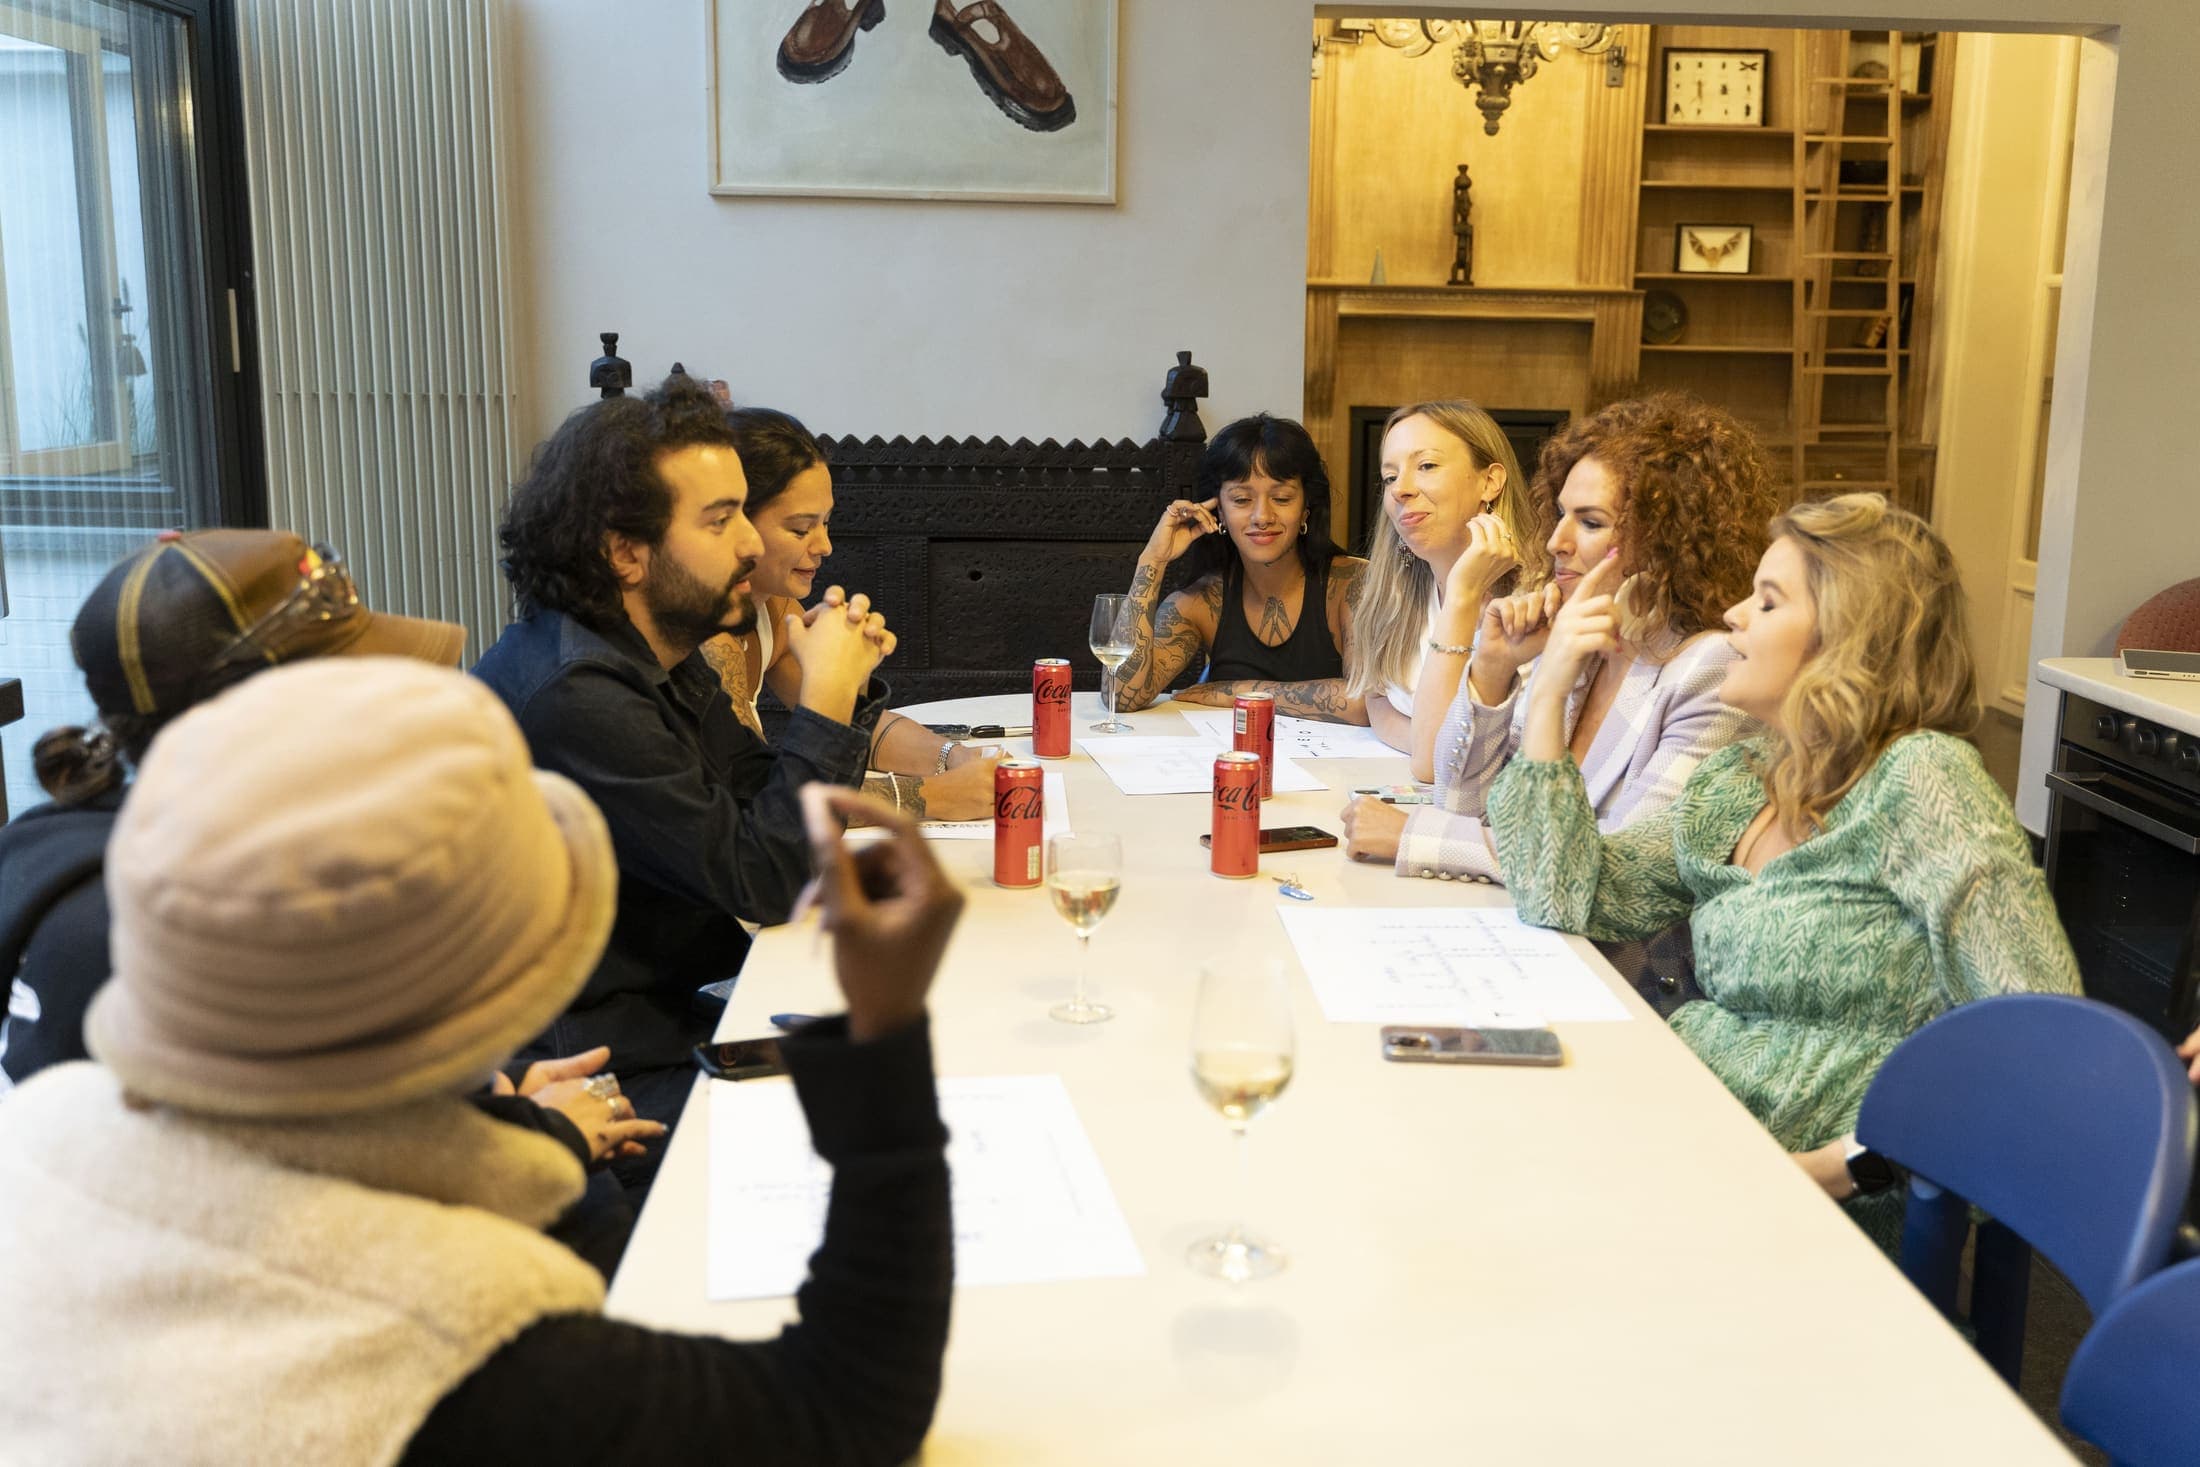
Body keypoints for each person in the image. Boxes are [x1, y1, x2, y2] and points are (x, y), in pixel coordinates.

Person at [0, 657, 961, 1465]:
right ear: (492, 996)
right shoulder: (471, 1356)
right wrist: (885, 1027)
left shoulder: (42, 1124)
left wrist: (500, 1119)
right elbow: (847, 1408)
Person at [0, 529, 656, 1274]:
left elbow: (319, 1120)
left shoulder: (123, 855)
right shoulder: (182, 921)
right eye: (358, 693)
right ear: (263, 717)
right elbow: (291, 1206)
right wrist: (536, 1136)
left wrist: (482, 1102)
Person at [1487, 493, 2082, 1249]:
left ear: (1847, 638)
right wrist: (1547, 689)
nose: (1733, 616)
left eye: (1767, 603)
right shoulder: (1740, 780)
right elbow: (1562, 894)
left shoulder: (1924, 781)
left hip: (1816, 1221)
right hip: (1686, 1148)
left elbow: (2044, 1045)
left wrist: (1838, 1169)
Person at [473, 373, 894, 1183]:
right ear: (625, 551)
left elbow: (753, 795)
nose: (750, 544)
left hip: (668, 1014)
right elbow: (764, 874)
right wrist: (828, 708)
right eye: (720, 518)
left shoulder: (649, 652)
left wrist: (823, 701)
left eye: (744, 510)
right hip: (591, 1071)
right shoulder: (578, 694)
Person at [1340, 395, 1775, 884]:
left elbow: (1621, 868)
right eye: (1562, 514)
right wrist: (1490, 671)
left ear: (1669, 537)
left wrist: (1411, 837)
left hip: (1616, 960)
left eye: (1590, 522)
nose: (1554, 542)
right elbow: (1462, 805)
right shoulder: (1587, 647)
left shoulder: (1708, 669)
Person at [698, 406, 1002, 820]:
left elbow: (855, 730)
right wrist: (931, 797)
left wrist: (953, 756)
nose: (825, 546)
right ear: (734, 525)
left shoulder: (775, 608)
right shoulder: (707, 640)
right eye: (802, 529)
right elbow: (756, 796)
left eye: (826, 522)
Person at [1111, 414, 1369, 722]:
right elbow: (1120, 695)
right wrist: (1152, 559)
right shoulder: (1203, 602)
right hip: (1236, 760)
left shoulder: (1353, 583)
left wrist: (1237, 691)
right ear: (1218, 509)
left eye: (1282, 497)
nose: (1262, 515)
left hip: (1341, 768)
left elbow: (1367, 700)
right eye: (1242, 499)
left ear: (1305, 509)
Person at [1344, 400, 1550, 754]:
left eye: (1426, 465)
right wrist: (1425, 741)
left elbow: (1440, 761)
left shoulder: (1536, 605)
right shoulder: (1393, 591)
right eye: (1389, 476)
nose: (1399, 489)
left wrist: (1462, 594)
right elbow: (1377, 701)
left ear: (1490, 482)